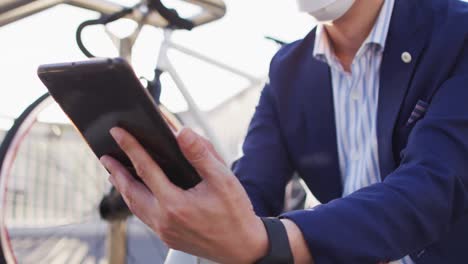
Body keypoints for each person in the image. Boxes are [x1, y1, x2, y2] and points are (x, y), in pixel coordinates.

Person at [100, 0, 468, 263]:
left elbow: (435, 184)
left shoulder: (456, 32)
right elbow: (256, 186)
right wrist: (209, 208)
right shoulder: (290, 69)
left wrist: (273, 240)